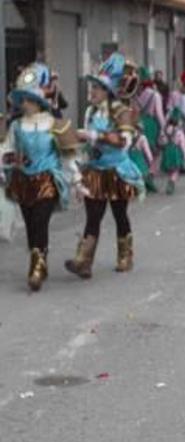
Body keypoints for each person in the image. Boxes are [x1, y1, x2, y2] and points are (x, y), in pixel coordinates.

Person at [0, 63, 86, 291]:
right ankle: (40, 260)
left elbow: (68, 156)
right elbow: (5, 150)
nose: (23, 103)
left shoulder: (54, 124)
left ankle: (36, 269)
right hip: (23, 181)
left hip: (48, 179)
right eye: (21, 99)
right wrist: (5, 163)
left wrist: (77, 180)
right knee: (30, 225)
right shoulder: (16, 126)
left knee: (40, 222)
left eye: (26, 98)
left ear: (36, 100)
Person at [65, 52, 145, 279]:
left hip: (117, 171)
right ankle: (84, 261)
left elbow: (124, 141)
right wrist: (80, 162)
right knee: (93, 216)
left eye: (97, 88)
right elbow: (88, 143)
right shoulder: (91, 111)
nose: (92, 92)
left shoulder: (122, 112)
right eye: (93, 87)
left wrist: (94, 135)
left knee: (120, 215)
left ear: (107, 91)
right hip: (96, 171)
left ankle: (125, 255)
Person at [135, 66, 165, 193]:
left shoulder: (133, 95)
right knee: (153, 154)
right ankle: (149, 180)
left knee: (139, 153)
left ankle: (140, 179)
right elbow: (159, 114)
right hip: (151, 125)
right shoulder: (155, 95)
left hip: (137, 124)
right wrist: (163, 130)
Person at [159, 108, 185, 195]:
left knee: (170, 169)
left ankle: (170, 179)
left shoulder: (165, 130)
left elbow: (162, 141)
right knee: (176, 170)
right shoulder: (179, 132)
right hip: (175, 150)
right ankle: (172, 181)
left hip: (167, 150)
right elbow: (183, 145)